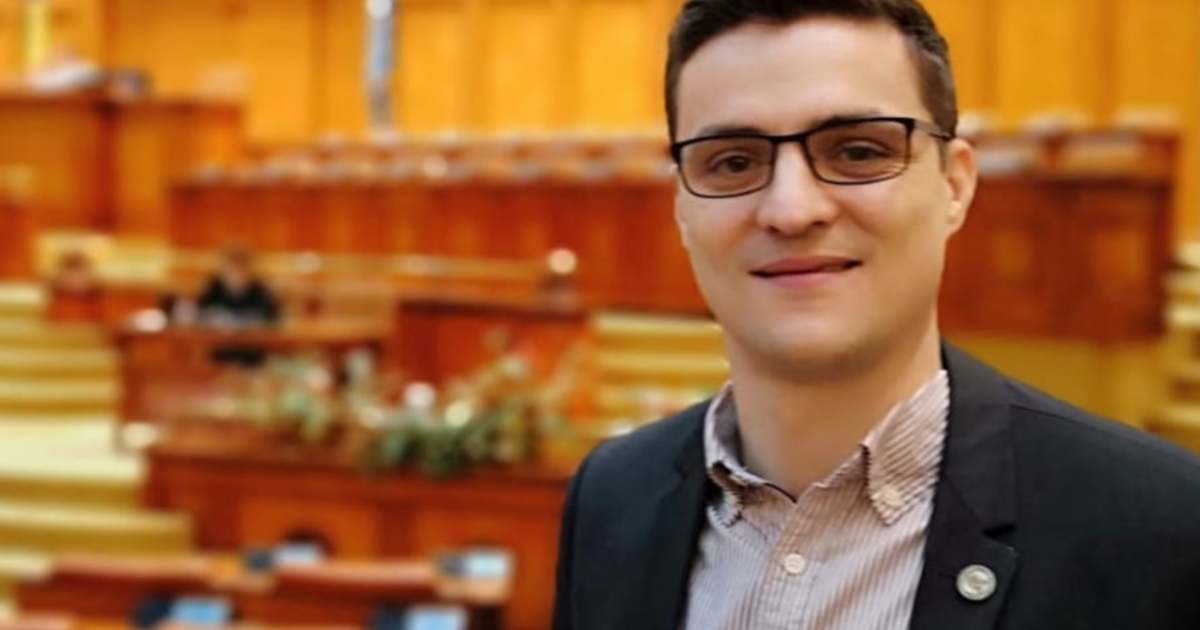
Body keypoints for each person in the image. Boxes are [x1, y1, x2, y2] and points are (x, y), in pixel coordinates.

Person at [552, 1, 1200, 629]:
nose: (791, 210)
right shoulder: (611, 498)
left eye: (857, 152)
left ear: (954, 185)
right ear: (682, 210)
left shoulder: (1158, 529)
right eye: (734, 162)